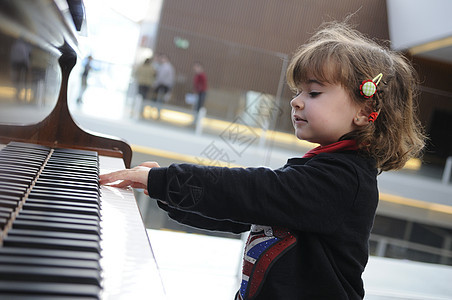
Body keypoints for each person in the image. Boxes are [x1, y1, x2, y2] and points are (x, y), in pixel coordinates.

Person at [100, 22, 426, 299]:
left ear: (362, 112)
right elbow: (242, 213)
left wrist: (168, 181)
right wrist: (167, 192)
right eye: (298, 91)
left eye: (313, 93)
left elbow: (254, 191)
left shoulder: (344, 180)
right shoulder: (321, 168)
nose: (296, 102)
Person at [152, 53, 175, 118]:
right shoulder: (164, 66)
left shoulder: (166, 67)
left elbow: (161, 77)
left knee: (160, 99)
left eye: (163, 58)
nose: (162, 59)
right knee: (159, 99)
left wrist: (156, 84)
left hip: (163, 85)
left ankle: (158, 113)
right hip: (163, 85)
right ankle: (157, 112)